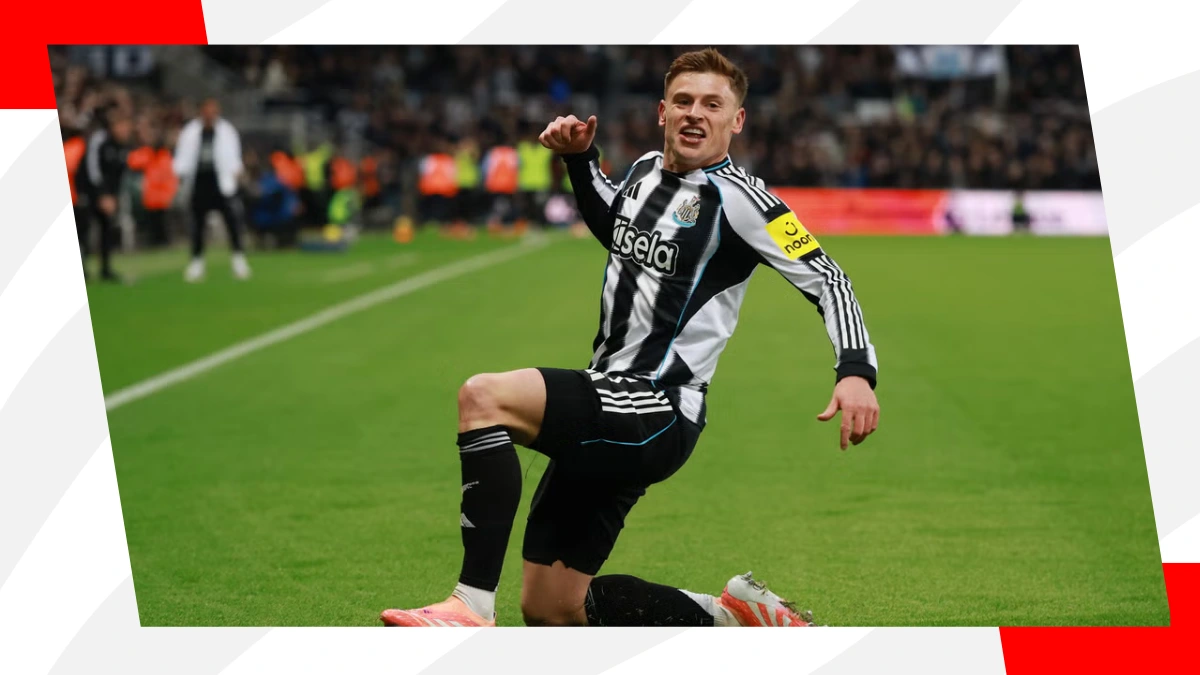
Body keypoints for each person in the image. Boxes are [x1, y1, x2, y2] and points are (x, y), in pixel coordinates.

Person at [381, 48, 880, 628]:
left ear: (736, 120)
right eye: (684, 101)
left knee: (483, 397)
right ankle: (733, 616)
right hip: (612, 395)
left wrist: (855, 372)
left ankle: (469, 605)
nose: (696, 114)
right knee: (551, 609)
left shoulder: (746, 202)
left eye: (712, 105)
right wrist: (579, 160)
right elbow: (615, 224)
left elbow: (828, 279)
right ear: (662, 111)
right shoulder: (644, 170)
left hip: (659, 407)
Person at [173, 98, 251, 282]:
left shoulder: (227, 130)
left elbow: (233, 156)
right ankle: (196, 263)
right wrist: (179, 173)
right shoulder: (191, 131)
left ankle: (238, 260)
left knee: (232, 222)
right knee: (197, 225)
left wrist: (237, 172)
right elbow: (182, 157)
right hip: (199, 183)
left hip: (222, 183)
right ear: (201, 111)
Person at [81, 107, 133, 283]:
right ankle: (82, 269)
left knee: (106, 229)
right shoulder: (100, 140)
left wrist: (114, 196)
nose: (125, 130)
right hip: (88, 191)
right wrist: (102, 194)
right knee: (84, 230)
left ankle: (105, 269)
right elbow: (92, 169)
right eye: (122, 126)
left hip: (110, 195)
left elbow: (120, 174)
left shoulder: (123, 146)